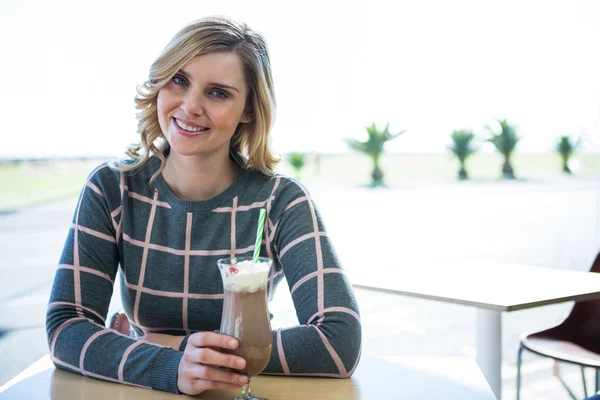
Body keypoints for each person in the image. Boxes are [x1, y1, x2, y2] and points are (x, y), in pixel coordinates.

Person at [45, 16, 361, 396]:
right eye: (179, 80)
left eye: (218, 93)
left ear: (248, 110)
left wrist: (170, 345)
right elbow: (66, 326)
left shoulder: (281, 201)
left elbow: (339, 342)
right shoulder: (113, 189)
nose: (190, 105)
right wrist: (170, 365)